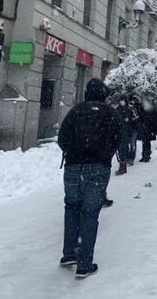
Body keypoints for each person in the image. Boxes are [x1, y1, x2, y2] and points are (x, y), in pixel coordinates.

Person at [57, 78, 121, 279]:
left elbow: (62, 139)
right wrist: (104, 155)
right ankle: (84, 264)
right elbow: (118, 138)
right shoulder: (110, 112)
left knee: (71, 208)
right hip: (98, 168)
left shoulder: (75, 111)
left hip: (73, 168)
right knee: (90, 213)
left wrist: (74, 153)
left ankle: (69, 253)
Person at [115, 94, 140, 175]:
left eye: (123, 100)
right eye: (120, 100)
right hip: (122, 131)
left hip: (132, 130)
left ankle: (130, 159)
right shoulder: (117, 109)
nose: (122, 102)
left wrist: (136, 129)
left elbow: (136, 120)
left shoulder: (131, 109)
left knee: (132, 144)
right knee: (122, 147)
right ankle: (123, 162)